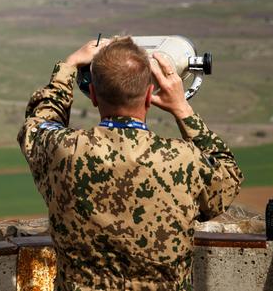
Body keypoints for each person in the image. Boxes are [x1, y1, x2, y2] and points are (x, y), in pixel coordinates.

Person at [18, 37, 244, 290]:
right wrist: (182, 109)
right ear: (150, 95)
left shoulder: (62, 151)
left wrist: (69, 65)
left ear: (92, 94)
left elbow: (36, 124)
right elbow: (228, 176)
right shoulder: (184, 160)